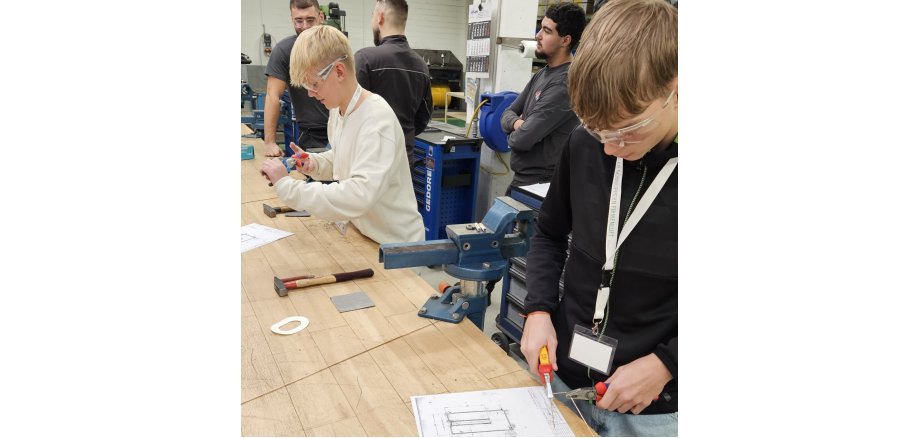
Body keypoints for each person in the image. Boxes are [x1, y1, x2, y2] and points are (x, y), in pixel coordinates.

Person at [519, 0, 678, 436]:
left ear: (677, 90)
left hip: (655, 407)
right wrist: (537, 310)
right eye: (598, 130)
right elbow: (549, 234)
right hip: (566, 380)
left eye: (627, 130)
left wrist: (668, 364)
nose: (609, 147)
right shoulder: (584, 143)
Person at [260, 25, 425, 245]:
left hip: (396, 245)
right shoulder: (338, 110)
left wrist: (288, 187)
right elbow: (343, 156)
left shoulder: (376, 119)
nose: (310, 94)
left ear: (339, 71)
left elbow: (358, 195)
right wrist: (315, 163)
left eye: (314, 84)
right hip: (366, 234)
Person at [499, 2, 586, 189]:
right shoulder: (543, 73)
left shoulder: (565, 82)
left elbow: (521, 140)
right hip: (524, 180)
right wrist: (518, 123)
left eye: (546, 31)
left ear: (565, 40)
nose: (538, 35)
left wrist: (516, 129)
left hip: (541, 184)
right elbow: (506, 113)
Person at [354, 0, 432, 169]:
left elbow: (351, 114)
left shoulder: (365, 59)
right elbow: (422, 117)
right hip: (403, 162)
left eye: (372, 16)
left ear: (380, 17)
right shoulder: (421, 66)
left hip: (369, 164)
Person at [263, 0, 331, 157]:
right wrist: (270, 142)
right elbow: (272, 96)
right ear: (292, 18)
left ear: (320, 16)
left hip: (343, 129)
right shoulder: (284, 51)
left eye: (310, 20)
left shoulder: (335, 46)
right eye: (299, 21)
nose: (305, 26)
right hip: (311, 134)